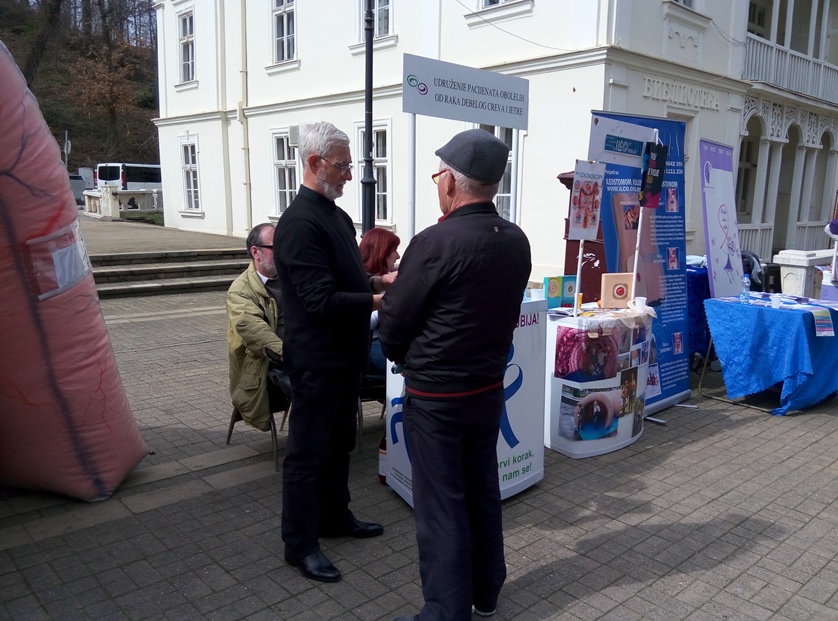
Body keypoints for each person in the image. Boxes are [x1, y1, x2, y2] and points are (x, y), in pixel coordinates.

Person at [379, 128, 532, 621]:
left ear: (451, 182)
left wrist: (402, 356)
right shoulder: (515, 239)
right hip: (486, 387)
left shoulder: (435, 241)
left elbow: (396, 322)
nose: (435, 182)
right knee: (482, 488)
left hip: (437, 394)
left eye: (437, 173)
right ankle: (486, 591)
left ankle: (446, 609)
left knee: (442, 505)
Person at [273, 121, 392, 584]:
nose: (349, 174)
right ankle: (299, 544)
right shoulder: (299, 224)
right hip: (317, 360)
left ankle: (335, 517)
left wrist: (379, 281)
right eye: (343, 166)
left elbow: (346, 282)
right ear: (314, 163)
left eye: (351, 165)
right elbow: (321, 300)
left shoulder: (337, 217)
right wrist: (382, 301)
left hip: (346, 357)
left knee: (341, 443)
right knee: (307, 455)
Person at [226, 222, 287, 432]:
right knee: (314, 386)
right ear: (256, 252)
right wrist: (287, 353)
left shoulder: (292, 278)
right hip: (269, 364)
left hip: (304, 352)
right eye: (276, 247)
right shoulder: (240, 290)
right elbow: (254, 330)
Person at [359, 227, 400, 377]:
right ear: (381, 253)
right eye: (394, 250)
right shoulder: (359, 280)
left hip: (388, 343)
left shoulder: (389, 276)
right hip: (373, 347)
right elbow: (362, 321)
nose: (398, 256)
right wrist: (386, 305)